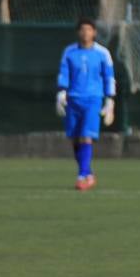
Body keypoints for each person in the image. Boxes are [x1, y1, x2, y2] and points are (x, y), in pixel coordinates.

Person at [55, 17, 115, 191]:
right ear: (78, 32)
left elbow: (109, 77)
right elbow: (63, 73)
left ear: (94, 32)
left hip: (93, 99)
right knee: (75, 138)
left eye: (89, 29)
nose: (85, 33)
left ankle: (81, 177)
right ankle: (88, 173)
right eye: (82, 29)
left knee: (86, 136)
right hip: (73, 99)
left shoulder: (102, 53)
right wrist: (61, 93)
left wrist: (109, 100)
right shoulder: (69, 52)